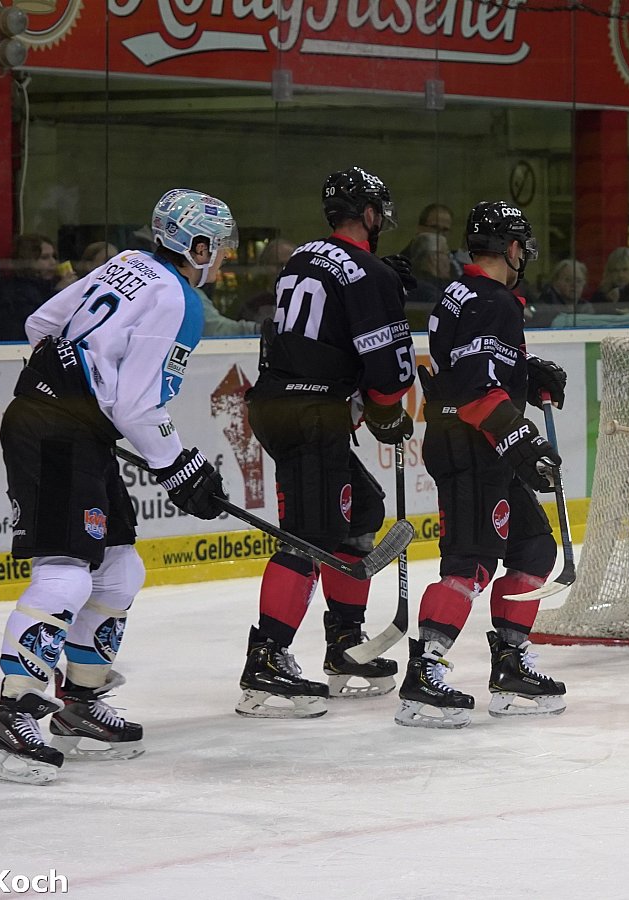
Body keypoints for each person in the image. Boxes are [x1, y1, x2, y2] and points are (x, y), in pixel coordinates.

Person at [0, 189, 237, 785]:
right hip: (57, 432)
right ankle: (13, 715)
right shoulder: (179, 299)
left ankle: (79, 701)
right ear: (196, 248)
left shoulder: (127, 264)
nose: (224, 259)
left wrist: (76, 386)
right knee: (66, 573)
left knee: (119, 569)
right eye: (220, 248)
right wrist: (180, 465)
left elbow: (41, 325)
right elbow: (138, 404)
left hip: (69, 426)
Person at [238, 166, 416, 719]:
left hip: (275, 402)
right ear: (370, 214)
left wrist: (378, 285)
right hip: (313, 411)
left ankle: (345, 643)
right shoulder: (371, 274)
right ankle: (266, 659)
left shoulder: (302, 257)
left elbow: (324, 319)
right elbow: (388, 374)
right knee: (309, 535)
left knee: (360, 510)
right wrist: (386, 414)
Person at [405, 200, 568, 728]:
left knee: (533, 547)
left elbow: (470, 364)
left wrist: (524, 370)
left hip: (471, 440)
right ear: (512, 247)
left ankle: (510, 664)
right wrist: (523, 439)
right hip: (473, 443)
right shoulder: (493, 301)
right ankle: (424, 674)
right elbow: (478, 388)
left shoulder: (461, 291)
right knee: (469, 565)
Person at [0, 233, 65, 341]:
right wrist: (58, 294)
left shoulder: (50, 285)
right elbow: (37, 324)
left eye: (53, 256)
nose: (53, 262)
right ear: (28, 260)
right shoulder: (15, 290)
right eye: (44, 258)